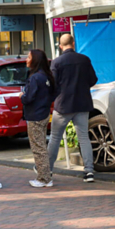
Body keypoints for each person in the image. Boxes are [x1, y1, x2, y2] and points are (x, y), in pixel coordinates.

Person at [47, 34, 97, 182]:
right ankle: (89, 172)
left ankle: (48, 170)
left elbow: (53, 84)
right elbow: (93, 80)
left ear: (60, 46)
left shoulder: (56, 62)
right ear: (73, 44)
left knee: (55, 138)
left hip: (63, 105)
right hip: (82, 103)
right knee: (83, 137)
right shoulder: (84, 60)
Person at [22, 49, 56, 188]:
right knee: (41, 145)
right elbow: (54, 94)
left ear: (34, 60)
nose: (26, 59)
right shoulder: (47, 76)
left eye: (29, 57)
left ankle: (44, 178)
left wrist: (21, 96)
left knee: (38, 147)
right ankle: (45, 176)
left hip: (34, 115)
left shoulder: (35, 77)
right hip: (44, 113)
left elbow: (28, 98)